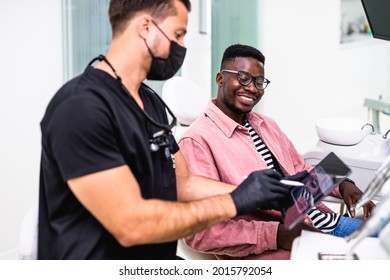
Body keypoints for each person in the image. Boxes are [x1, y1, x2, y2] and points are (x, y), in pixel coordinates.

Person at [37, 1, 294, 260]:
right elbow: (131, 225)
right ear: (146, 27)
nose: (181, 46)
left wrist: (255, 191)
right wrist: (234, 201)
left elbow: (184, 183)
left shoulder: (150, 103)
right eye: (178, 34)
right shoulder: (81, 108)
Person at [178, 43, 375, 260]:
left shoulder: (265, 124)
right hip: (286, 250)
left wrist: (343, 184)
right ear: (220, 78)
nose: (252, 88)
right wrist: (276, 236)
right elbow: (200, 234)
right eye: (243, 78)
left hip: (323, 223)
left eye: (259, 81)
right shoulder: (196, 141)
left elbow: (299, 171)